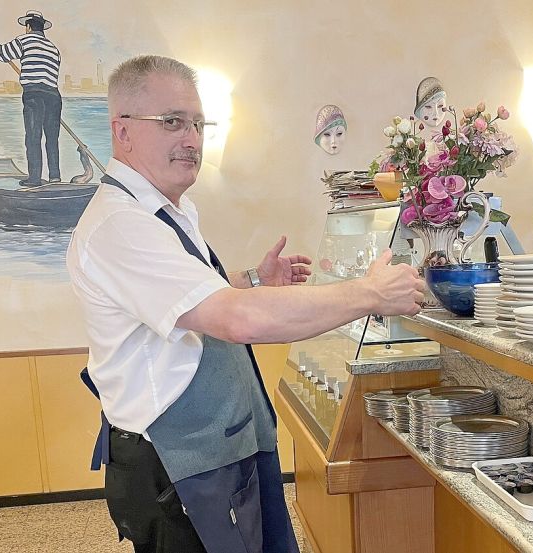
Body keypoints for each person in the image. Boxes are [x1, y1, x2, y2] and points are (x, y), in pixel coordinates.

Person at [66, 55, 425, 553]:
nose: (192, 139)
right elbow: (234, 317)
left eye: (197, 123)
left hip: (217, 450)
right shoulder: (121, 225)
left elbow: (190, 293)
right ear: (121, 131)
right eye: (171, 121)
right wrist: (370, 294)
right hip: (178, 464)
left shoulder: (169, 210)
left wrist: (254, 278)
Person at [0, 10, 62, 187]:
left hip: (34, 95)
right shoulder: (54, 49)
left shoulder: (25, 40)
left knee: (33, 137)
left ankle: (35, 179)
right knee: (52, 139)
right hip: (54, 96)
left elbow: (1, 53)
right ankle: (55, 177)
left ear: (28, 26)